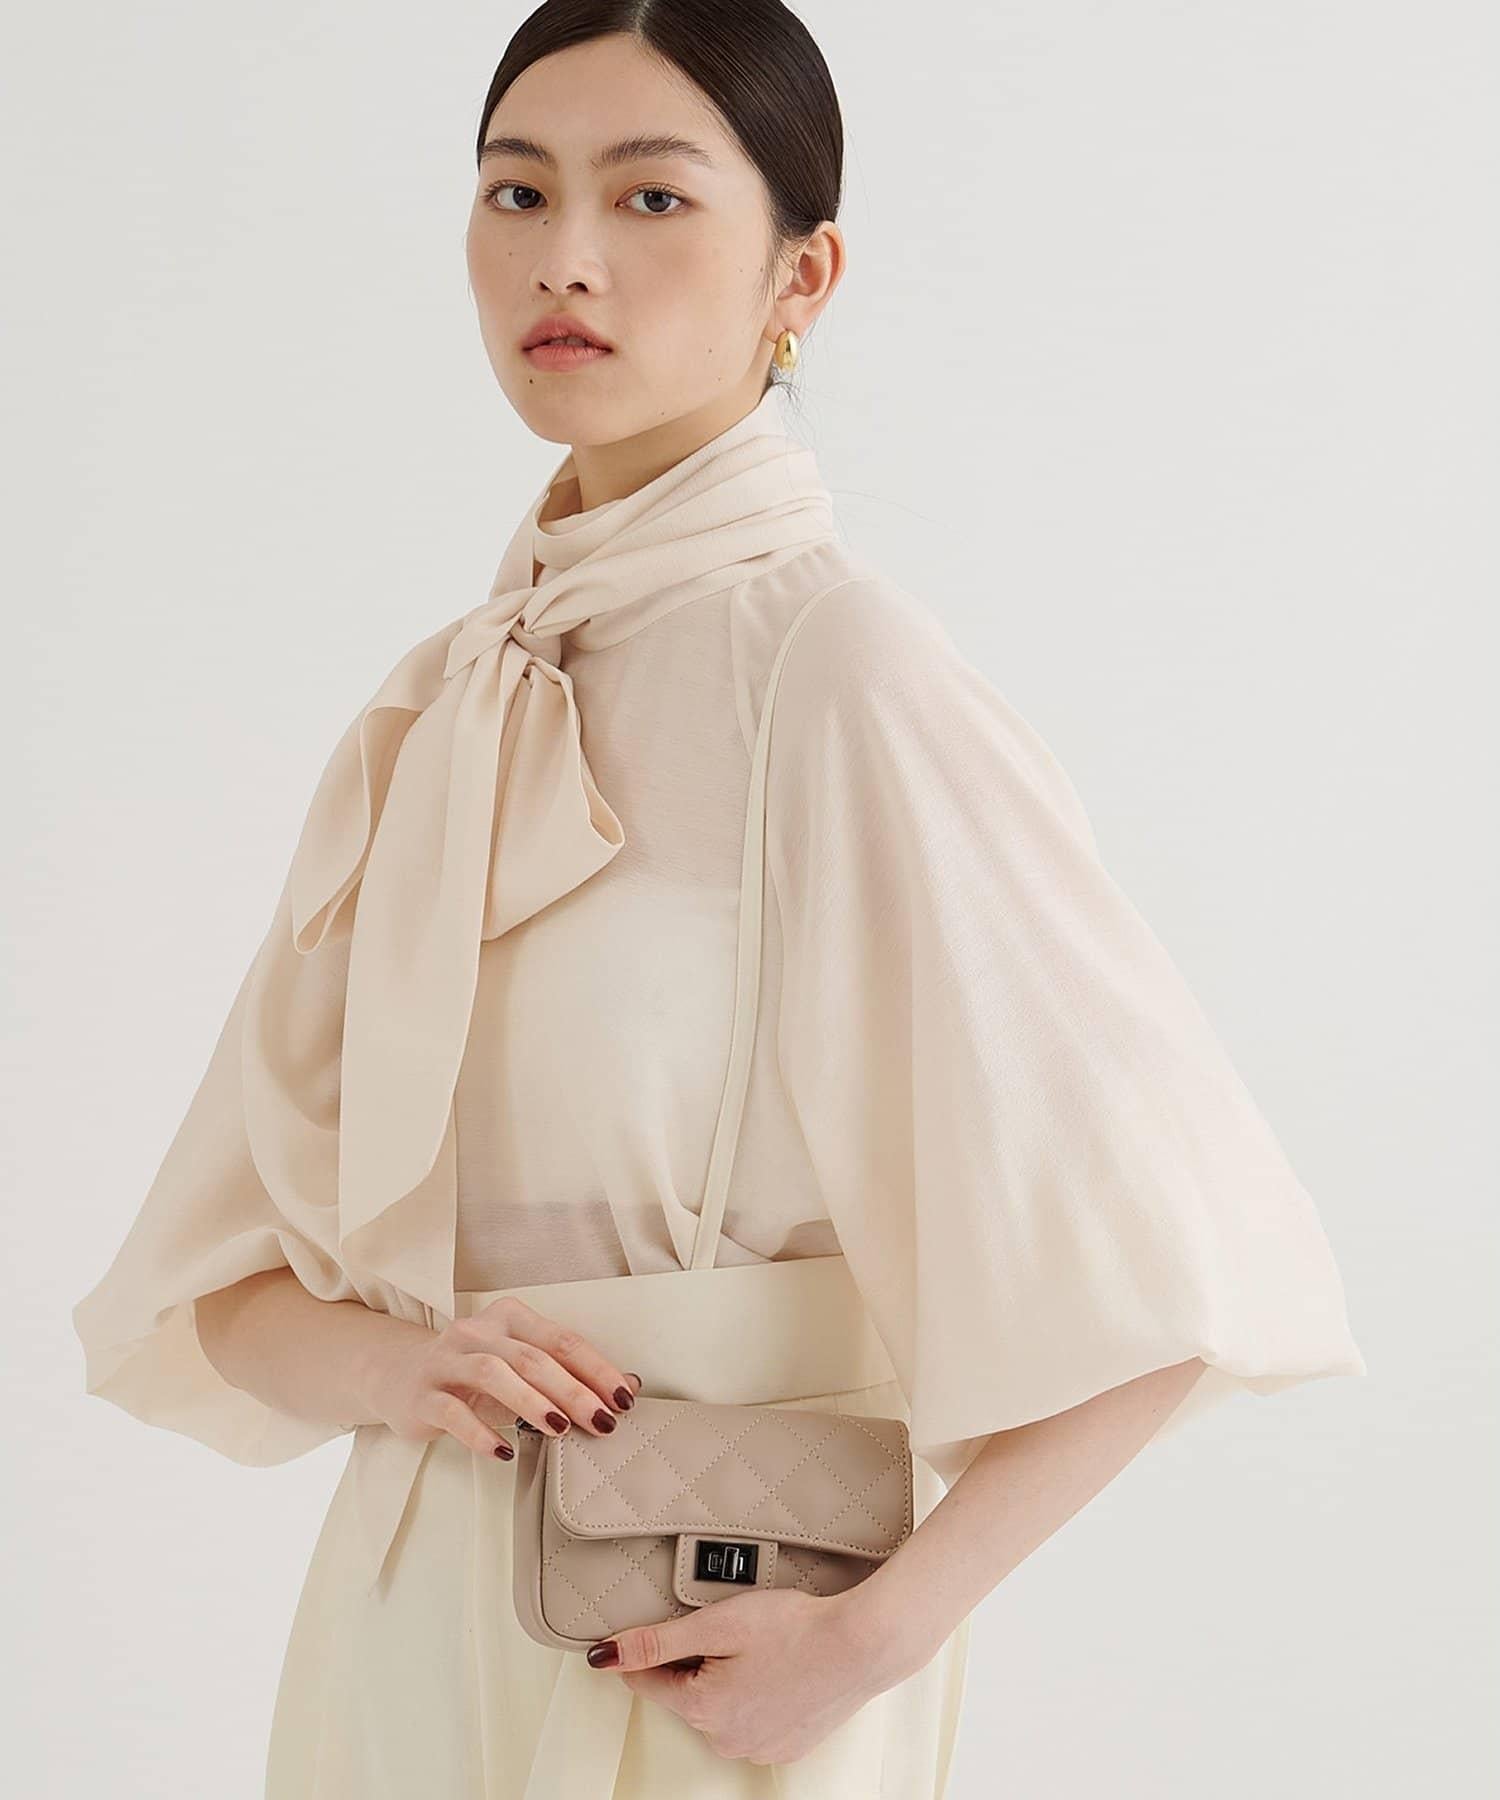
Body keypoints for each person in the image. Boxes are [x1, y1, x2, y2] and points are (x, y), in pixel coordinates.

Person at [70, 4, 1367, 1795]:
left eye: (652, 198)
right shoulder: (442, 705)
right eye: (516, 192)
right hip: (402, 1619)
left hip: (714, 1642)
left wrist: (873, 1641)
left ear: (801, 276)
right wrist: (403, 1370)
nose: (566, 256)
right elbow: (221, 1286)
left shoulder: (834, 670)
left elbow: (1186, 1264)